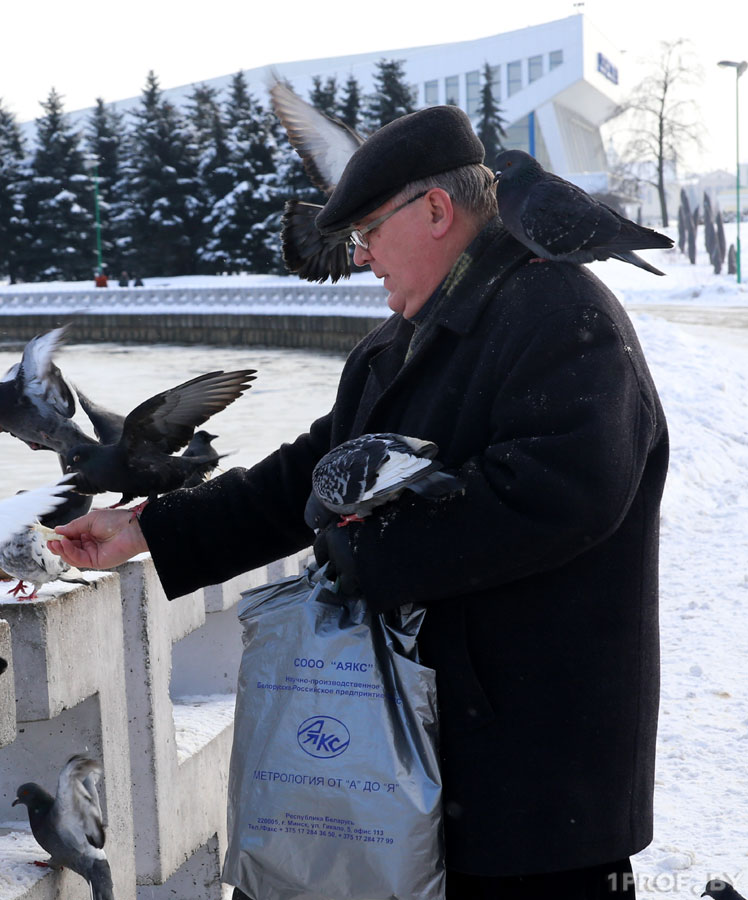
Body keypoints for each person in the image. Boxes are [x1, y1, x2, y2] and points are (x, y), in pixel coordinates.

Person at [48, 105, 667, 900]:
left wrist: (365, 549)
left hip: (535, 782)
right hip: (414, 771)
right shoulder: (397, 341)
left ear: (437, 211)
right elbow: (306, 472)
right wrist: (145, 528)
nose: (361, 255)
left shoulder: (561, 315)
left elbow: (564, 495)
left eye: (369, 230)